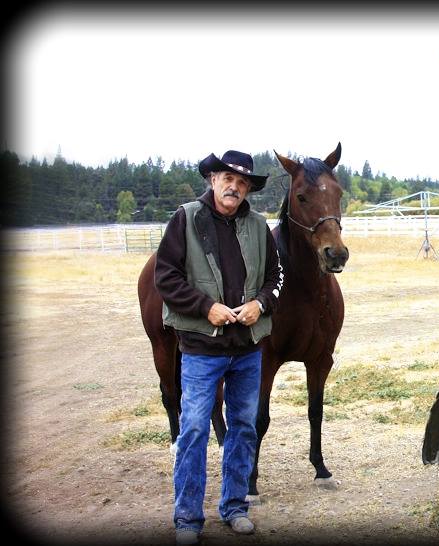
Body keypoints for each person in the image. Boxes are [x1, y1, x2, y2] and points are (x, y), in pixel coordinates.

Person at [155, 150, 283, 545]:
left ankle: (235, 507)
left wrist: (261, 304)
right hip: (200, 350)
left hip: (247, 349)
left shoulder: (258, 227)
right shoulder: (186, 219)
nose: (235, 187)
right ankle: (187, 519)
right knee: (194, 429)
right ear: (213, 179)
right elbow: (166, 277)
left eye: (242, 183)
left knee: (243, 427)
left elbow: (276, 277)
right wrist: (205, 307)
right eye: (228, 178)